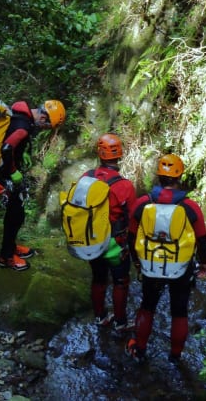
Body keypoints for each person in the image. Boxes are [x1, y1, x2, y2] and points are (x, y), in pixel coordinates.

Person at [125, 153, 206, 363]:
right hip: (181, 267)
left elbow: (131, 236)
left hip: (150, 265)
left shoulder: (142, 203)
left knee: (147, 306)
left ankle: (140, 349)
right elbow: (202, 240)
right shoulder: (189, 207)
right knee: (179, 311)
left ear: (158, 176)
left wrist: (137, 263)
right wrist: (204, 264)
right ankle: (175, 356)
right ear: (179, 176)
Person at [0, 99, 66, 271]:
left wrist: (20, 155)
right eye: (47, 126)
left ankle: (10, 247)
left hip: (4, 170)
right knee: (14, 215)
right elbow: (7, 148)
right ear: (43, 118)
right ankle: (6, 256)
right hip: (3, 173)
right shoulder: (23, 126)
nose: (44, 129)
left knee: (17, 213)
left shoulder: (19, 115)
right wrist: (12, 171)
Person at [81, 133, 138, 330]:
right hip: (115, 243)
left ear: (99, 153)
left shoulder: (86, 177)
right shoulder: (125, 186)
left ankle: (101, 316)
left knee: (98, 278)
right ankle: (121, 322)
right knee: (120, 281)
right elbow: (132, 220)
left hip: (91, 239)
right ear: (119, 155)